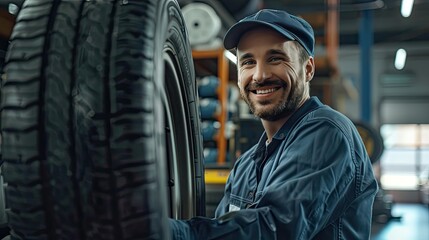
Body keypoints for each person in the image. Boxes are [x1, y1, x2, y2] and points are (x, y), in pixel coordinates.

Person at [170, 9, 378, 239]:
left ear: (308, 69)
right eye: (248, 62)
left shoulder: (327, 132)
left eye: (275, 58)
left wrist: (165, 232)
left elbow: (275, 227)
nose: (259, 75)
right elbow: (225, 226)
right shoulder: (246, 165)